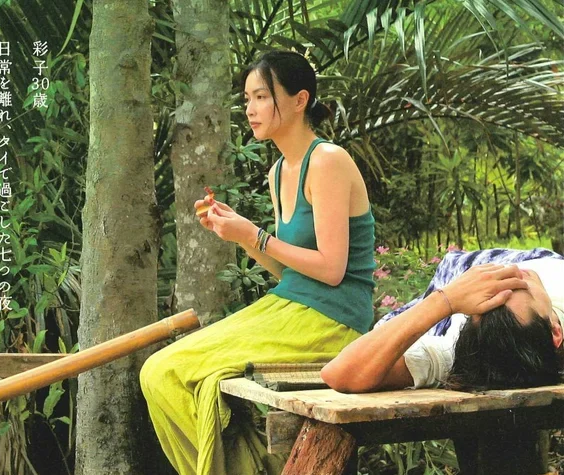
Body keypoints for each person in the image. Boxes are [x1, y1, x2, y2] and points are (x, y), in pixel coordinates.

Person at [140, 50, 376, 474]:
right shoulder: (278, 172)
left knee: (170, 371)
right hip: (291, 306)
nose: (250, 109)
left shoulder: (327, 161)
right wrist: (241, 236)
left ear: (300, 100)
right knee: (159, 373)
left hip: (334, 319)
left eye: (262, 97)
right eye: (247, 99)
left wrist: (255, 235)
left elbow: (331, 269)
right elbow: (291, 273)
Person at [321, 248, 564, 393]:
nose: (511, 273)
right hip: (480, 272)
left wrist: (446, 300)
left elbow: (340, 373)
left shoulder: (457, 351)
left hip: (461, 276)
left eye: (519, 286)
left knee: (386, 328)